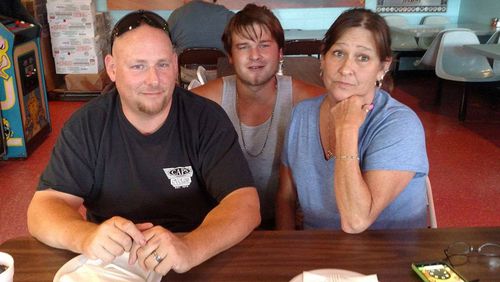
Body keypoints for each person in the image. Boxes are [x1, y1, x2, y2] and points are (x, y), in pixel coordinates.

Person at [27, 10, 260, 276]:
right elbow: (44, 207)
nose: (153, 80)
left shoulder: (205, 118)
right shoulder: (86, 125)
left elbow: (245, 203)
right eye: (138, 66)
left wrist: (190, 247)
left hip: (193, 259)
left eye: (162, 64)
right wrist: (86, 237)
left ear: (175, 64)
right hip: (112, 263)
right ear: (112, 68)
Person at [276, 8, 429, 233]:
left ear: (383, 67)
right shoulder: (302, 114)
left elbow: (356, 221)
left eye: (363, 58)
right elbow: (286, 197)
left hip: (389, 258)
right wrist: (286, 254)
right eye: (338, 53)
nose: (346, 69)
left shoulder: (400, 124)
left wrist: (346, 127)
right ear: (323, 58)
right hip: (316, 255)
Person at [191, 4, 325, 229]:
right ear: (231, 56)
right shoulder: (205, 100)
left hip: (286, 220)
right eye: (243, 46)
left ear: (280, 52)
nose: (255, 56)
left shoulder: (306, 98)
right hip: (222, 222)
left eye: (264, 45)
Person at [167, 0, 233, 54]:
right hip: (221, 69)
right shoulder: (228, 16)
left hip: (184, 69)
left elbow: (163, 45)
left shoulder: (177, 15)